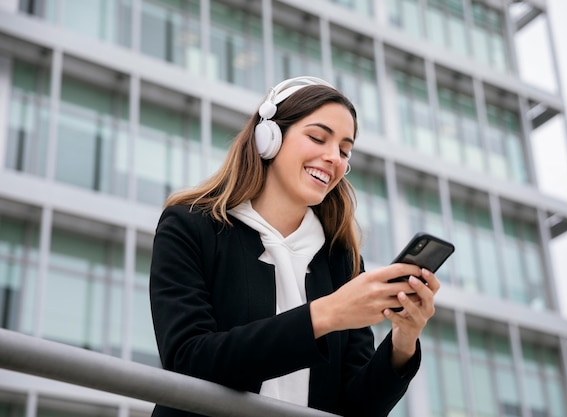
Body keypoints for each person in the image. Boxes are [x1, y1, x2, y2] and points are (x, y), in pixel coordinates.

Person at [149, 76, 440, 417]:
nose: (334, 158)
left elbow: (357, 408)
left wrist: (403, 342)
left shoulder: (341, 261)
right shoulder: (189, 227)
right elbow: (189, 360)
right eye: (318, 137)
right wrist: (325, 315)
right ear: (268, 137)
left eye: (344, 151)